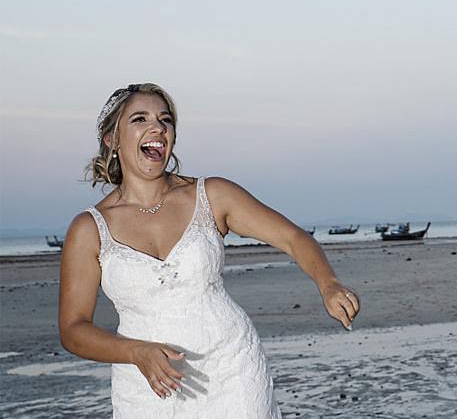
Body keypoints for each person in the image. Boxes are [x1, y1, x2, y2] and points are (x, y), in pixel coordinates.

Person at [58, 83, 360, 417]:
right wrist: (135, 353)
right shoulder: (89, 229)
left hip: (232, 371)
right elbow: (73, 329)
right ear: (112, 140)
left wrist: (328, 283)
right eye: (139, 119)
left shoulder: (212, 195)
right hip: (146, 387)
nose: (157, 127)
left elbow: (292, 237)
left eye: (165, 119)